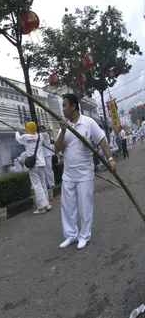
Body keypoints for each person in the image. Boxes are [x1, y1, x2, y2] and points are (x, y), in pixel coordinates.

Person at [55, 93, 116, 250]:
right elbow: (57, 149)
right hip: (68, 174)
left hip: (85, 174)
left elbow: (102, 140)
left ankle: (84, 235)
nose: (63, 109)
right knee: (67, 206)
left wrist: (110, 159)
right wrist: (62, 132)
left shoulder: (88, 123)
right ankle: (71, 235)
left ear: (73, 106)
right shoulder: (63, 127)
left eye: (64, 105)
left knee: (85, 205)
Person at [15, 122, 51, 215]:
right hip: (41, 163)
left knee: (37, 185)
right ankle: (47, 204)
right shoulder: (40, 136)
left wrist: (17, 131)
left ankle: (41, 208)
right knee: (43, 184)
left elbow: (18, 138)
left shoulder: (25, 137)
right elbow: (33, 136)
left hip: (33, 165)